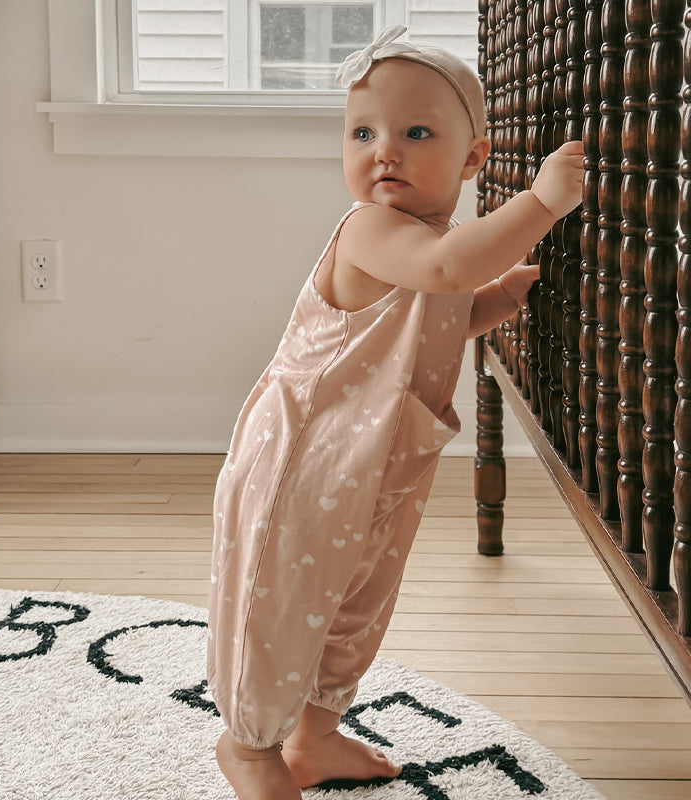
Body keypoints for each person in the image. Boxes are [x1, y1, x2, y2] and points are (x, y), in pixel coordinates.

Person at [206, 25, 583, 800]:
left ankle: (315, 736)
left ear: (471, 157)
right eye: (363, 133)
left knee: (354, 605)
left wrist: (499, 298)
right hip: (302, 465)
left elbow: (434, 312)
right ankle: (249, 747)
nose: (386, 151)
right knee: (279, 609)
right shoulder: (373, 229)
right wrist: (542, 203)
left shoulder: (430, 241)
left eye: (416, 133)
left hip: (378, 461)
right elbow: (443, 271)